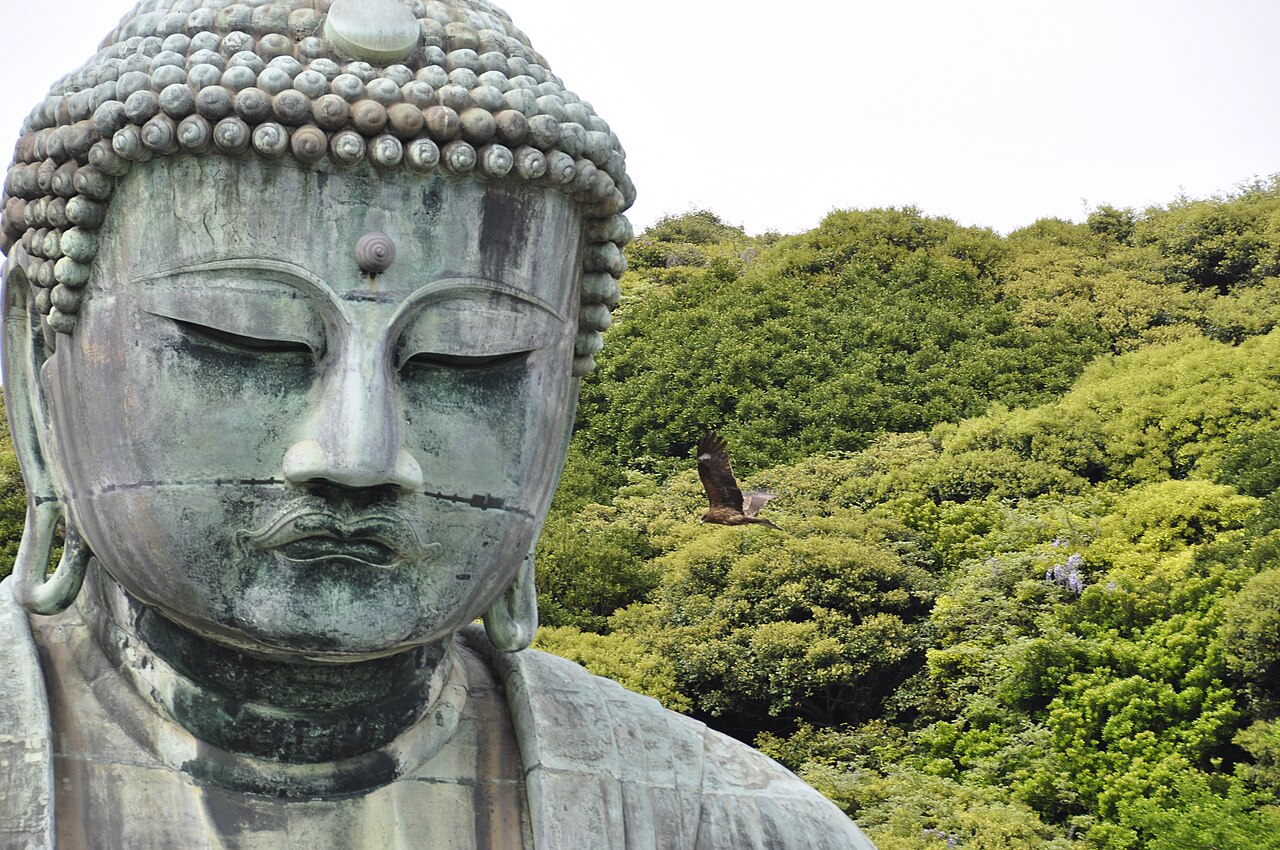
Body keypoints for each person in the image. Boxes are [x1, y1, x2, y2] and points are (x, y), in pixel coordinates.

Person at [0, 2, 876, 848]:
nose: (358, 457)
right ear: (37, 369)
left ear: (560, 408)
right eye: (244, 338)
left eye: (470, 362)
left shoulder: (739, 825)